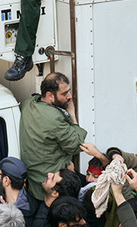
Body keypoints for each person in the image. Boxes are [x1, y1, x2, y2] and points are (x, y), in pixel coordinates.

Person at [19, 72, 86, 201]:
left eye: (69, 91)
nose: (69, 97)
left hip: (34, 184)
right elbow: (77, 145)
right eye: (64, 93)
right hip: (54, 188)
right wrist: (72, 114)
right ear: (49, 95)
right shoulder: (55, 118)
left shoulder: (28, 104)